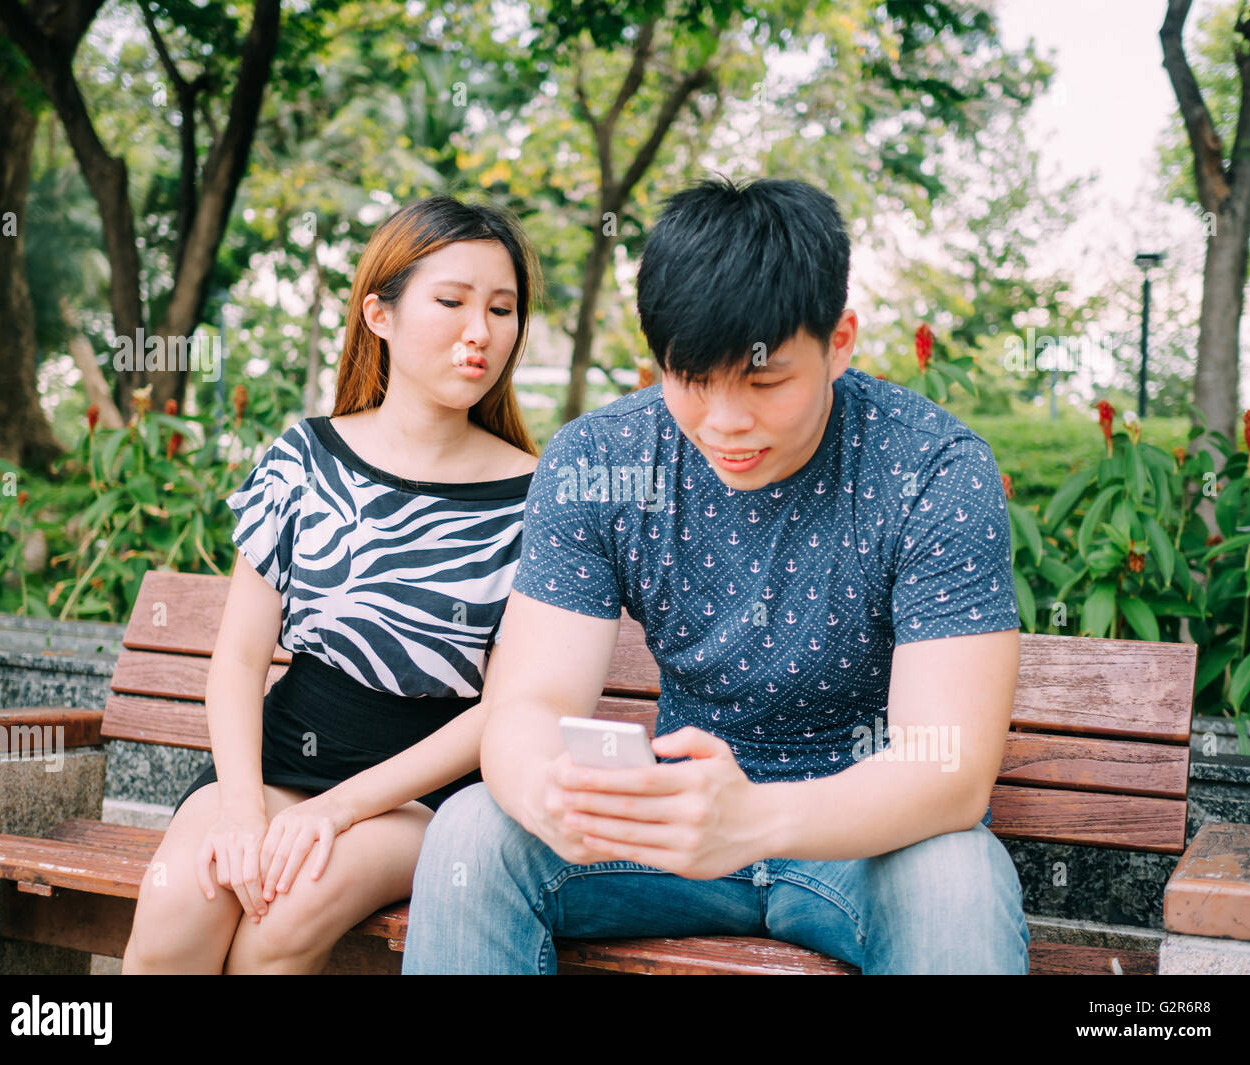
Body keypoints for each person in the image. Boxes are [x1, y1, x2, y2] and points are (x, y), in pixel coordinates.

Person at [402, 177, 1030, 975]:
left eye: (765, 382)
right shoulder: (601, 460)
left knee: (959, 879)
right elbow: (528, 705)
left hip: (864, 840)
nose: (726, 422)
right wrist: (546, 791)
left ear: (840, 341)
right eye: (693, 380)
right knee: (472, 832)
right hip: (670, 829)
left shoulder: (931, 468)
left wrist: (754, 818)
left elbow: (948, 768)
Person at [122, 196, 542, 973]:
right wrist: (243, 809)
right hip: (279, 760)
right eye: (451, 302)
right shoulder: (303, 459)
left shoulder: (535, 497)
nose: (479, 331)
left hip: (423, 793)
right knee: (183, 898)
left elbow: (508, 709)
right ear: (378, 314)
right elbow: (240, 661)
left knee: (285, 917)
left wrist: (338, 808)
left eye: (502, 308)